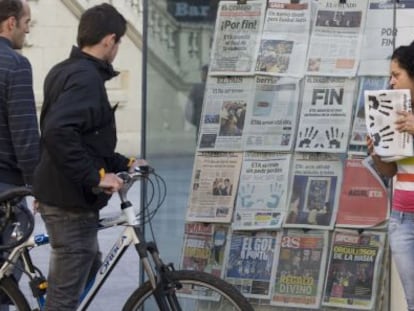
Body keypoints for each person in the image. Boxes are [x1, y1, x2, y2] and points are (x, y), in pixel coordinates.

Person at [32, 4, 147, 310]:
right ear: (109, 40)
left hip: (64, 193)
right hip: (69, 200)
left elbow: (85, 139)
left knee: (89, 260)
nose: (118, 48)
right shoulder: (85, 78)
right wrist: (96, 176)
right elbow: (57, 133)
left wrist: (123, 164)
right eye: (119, 41)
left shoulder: (65, 70)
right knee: (63, 300)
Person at [367, 42, 414, 311]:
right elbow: (390, 172)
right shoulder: (394, 113)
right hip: (404, 219)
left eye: (397, 75)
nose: (391, 82)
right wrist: (377, 153)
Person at [0, 1, 39, 310]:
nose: (28, 28)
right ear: (10, 22)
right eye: (26, 21)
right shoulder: (15, 64)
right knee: (4, 278)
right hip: (5, 188)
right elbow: (25, 136)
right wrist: (38, 185)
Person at [185, 64, 208, 141]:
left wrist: (197, 122)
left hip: (200, 126)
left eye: (202, 73)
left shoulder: (196, 89)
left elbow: (188, 111)